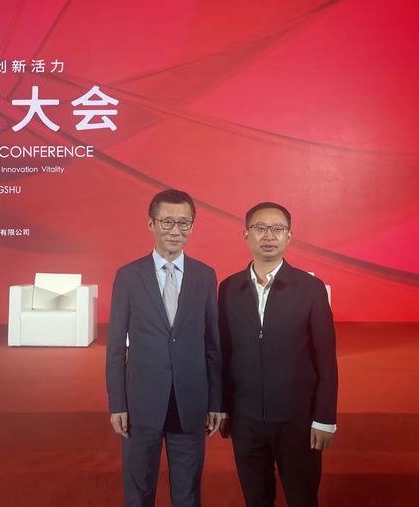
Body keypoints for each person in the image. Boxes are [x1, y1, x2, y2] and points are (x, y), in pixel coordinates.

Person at [106, 189, 222, 507]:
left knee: (188, 494)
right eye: (167, 222)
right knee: (139, 493)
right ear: (151, 224)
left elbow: (213, 345)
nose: (175, 230)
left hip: (190, 403)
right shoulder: (128, 276)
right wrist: (117, 404)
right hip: (141, 404)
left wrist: (215, 401)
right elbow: (115, 347)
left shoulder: (205, 276)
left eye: (184, 223)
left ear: (192, 226)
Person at [218, 202, 338, 507]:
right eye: (260, 228)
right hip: (245, 420)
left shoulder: (311, 289)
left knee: (302, 499)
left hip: (297, 421)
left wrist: (325, 419)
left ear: (289, 237)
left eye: (277, 229)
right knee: (256, 500)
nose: (268, 236)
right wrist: (221, 407)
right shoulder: (228, 288)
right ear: (246, 235)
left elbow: (326, 359)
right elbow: (223, 354)